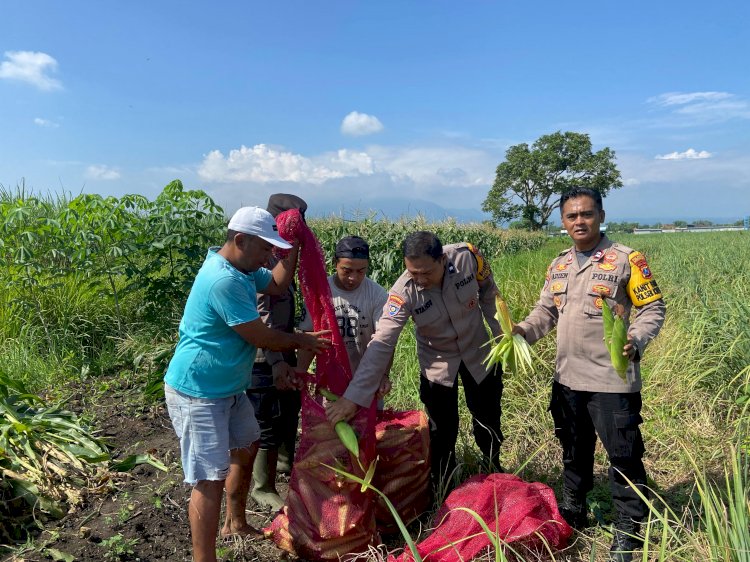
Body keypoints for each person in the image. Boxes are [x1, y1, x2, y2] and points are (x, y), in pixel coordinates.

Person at [163, 206, 330, 562]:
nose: (269, 256)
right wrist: (302, 340)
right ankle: (204, 558)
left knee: (248, 441)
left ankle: (235, 522)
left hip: (227, 388)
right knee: (208, 479)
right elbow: (261, 336)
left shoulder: (243, 269)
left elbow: (278, 284)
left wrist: (294, 243)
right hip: (198, 391)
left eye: (273, 249)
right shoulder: (223, 280)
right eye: (265, 248)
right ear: (240, 240)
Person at [512, 187, 665, 562]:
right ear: (563, 222)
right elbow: (545, 312)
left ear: (601, 216)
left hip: (611, 381)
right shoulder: (559, 264)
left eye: (586, 214)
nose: (579, 221)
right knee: (573, 450)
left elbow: (652, 308)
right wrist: (521, 331)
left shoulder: (626, 260)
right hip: (567, 378)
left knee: (624, 455)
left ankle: (628, 527)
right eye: (572, 216)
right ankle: (574, 509)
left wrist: (636, 339)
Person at [326, 231, 504, 489]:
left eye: (426, 273)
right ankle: (444, 485)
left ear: (442, 260)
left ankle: (494, 470)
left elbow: (489, 294)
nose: (420, 280)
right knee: (441, 430)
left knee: (488, 418)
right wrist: (353, 398)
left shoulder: (468, 257)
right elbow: (382, 342)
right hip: (438, 364)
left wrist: (503, 336)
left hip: (478, 352)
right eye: (413, 273)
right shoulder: (402, 292)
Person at [248, 193, 308, 512]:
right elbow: (262, 315)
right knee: (267, 418)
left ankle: (284, 467)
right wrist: (275, 360)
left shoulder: (284, 259)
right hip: (263, 356)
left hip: (283, 348)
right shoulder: (263, 262)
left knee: (289, 409)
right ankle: (262, 487)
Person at [297, 235, 390, 395]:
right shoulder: (319, 292)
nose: (353, 278)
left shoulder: (377, 295)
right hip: (328, 382)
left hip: (366, 382)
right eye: (346, 271)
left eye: (361, 271)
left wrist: (384, 375)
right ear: (335, 263)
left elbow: (385, 341)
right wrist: (301, 372)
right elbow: (309, 338)